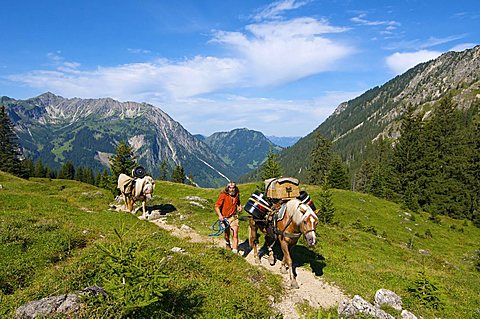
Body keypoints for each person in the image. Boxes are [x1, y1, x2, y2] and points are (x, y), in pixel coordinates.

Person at [215, 181, 242, 254]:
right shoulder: (223, 195)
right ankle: (227, 243)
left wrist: (239, 206)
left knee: (235, 233)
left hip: (233, 217)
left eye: (233, 188)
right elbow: (217, 206)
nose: (232, 189)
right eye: (230, 188)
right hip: (225, 218)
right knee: (227, 234)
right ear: (228, 188)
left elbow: (238, 201)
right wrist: (220, 215)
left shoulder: (236, 194)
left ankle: (235, 251)